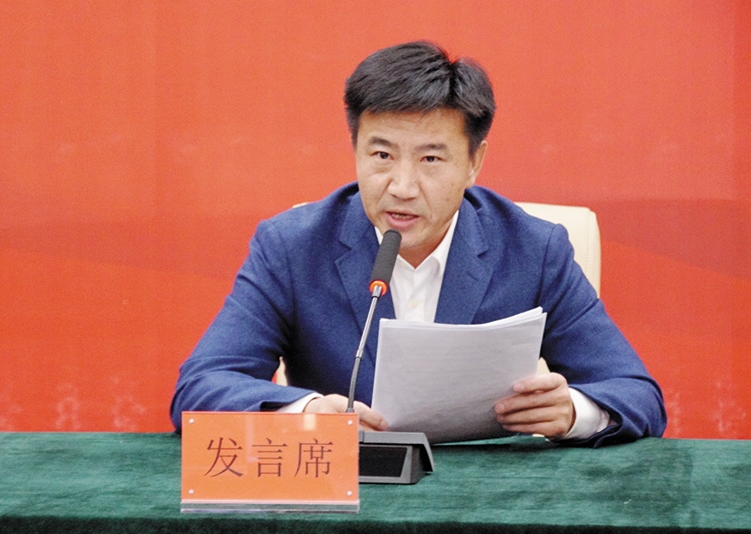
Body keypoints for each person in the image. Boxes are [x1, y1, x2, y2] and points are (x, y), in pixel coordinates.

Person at [170, 41, 666, 447]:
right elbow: (200, 387)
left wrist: (573, 411)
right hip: (350, 495)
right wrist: (306, 412)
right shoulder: (292, 246)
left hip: (490, 501)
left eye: (431, 160)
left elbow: (637, 395)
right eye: (382, 155)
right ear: (355, 150)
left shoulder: (533, 249)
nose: (402, 187)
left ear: (474, 162)